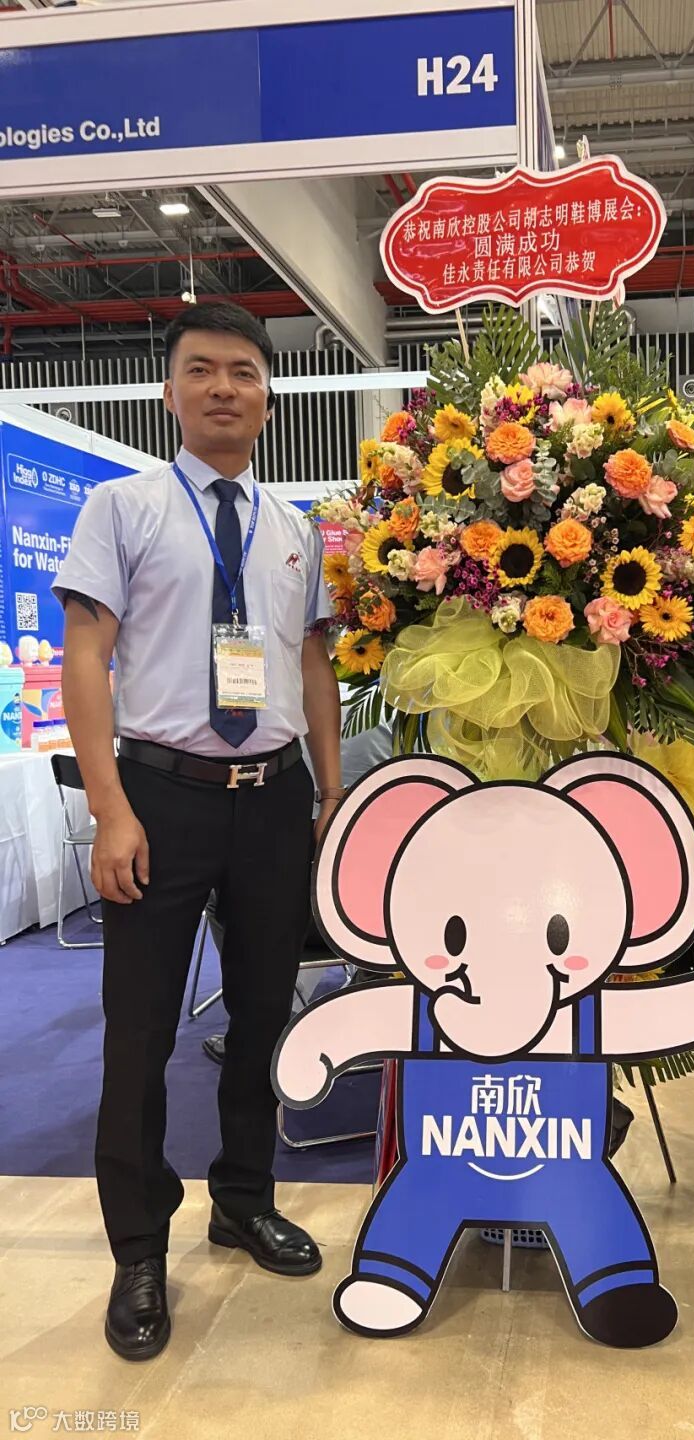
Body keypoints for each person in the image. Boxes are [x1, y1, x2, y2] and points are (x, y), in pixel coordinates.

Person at [56, 301, 344, 1361]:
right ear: (170, 392)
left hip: (272, 799)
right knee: (138, 1031)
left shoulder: (294, 528)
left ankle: (244, 1199)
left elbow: (311, 662)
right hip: (160, 794)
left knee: (264, 1012)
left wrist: (329, 791)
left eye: (244, 372)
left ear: (269, 396)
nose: (225, 387)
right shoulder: (122, 508)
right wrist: (111, 809)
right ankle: (139, 1247)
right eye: (203, 370)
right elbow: (86, 655)